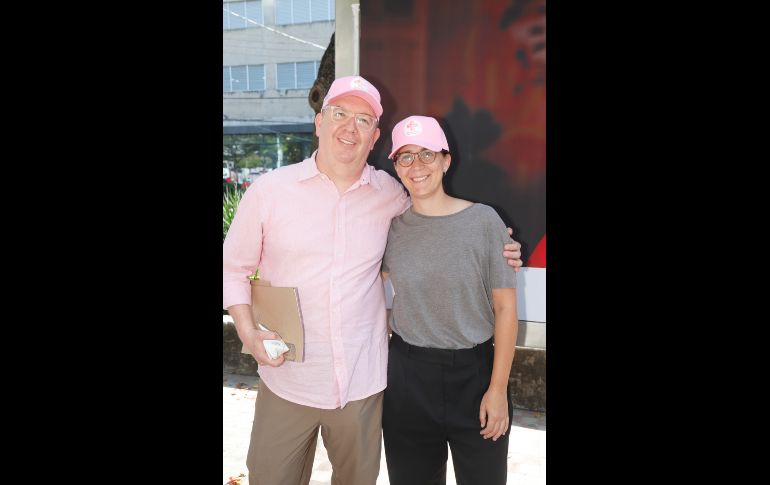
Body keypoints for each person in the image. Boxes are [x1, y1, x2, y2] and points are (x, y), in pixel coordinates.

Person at [223, 76, 522, 485]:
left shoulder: (391, 196)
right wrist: (247, 331)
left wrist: (500, 245)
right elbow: (232, 268)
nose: (350, 127)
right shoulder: (270, 191)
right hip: (287, 377)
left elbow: (442, 224)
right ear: (319, 122)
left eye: (363, 120)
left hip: (363, 387)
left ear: (375, 136)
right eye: (340, 114)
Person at [381, 115, 518, 485]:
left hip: (474, 376)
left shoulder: (484, 221)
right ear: (395, 166)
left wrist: (497, 389)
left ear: (446, 159)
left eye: (426, 154)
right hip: (407, 378)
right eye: (405, 157)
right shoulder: (391, 228)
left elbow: (506, 310)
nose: (417, 166)